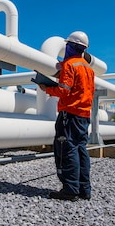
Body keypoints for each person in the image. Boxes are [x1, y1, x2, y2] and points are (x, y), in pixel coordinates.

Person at [37, 31, 95, 201]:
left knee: (67, 149)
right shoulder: (88, 68)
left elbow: (64, 90)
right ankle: (84, 189)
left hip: (69, 114)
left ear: (71, 46)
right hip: (84, 115)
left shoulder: (70, 65)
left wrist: (46, 88)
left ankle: (70, 189)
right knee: (80, 149)